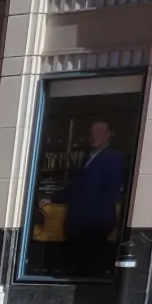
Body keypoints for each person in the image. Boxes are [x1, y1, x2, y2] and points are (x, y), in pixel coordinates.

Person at [55, 120, 127, 280]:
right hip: (79, 221)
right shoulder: (87, 157)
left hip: (95, 221)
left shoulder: (112, 158)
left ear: (109, 135)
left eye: (99, 132)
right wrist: (54, 198)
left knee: (89, 265)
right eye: (92, 133)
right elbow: (77, 186)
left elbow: (110, 192)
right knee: (76, 264)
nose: (94, 136)